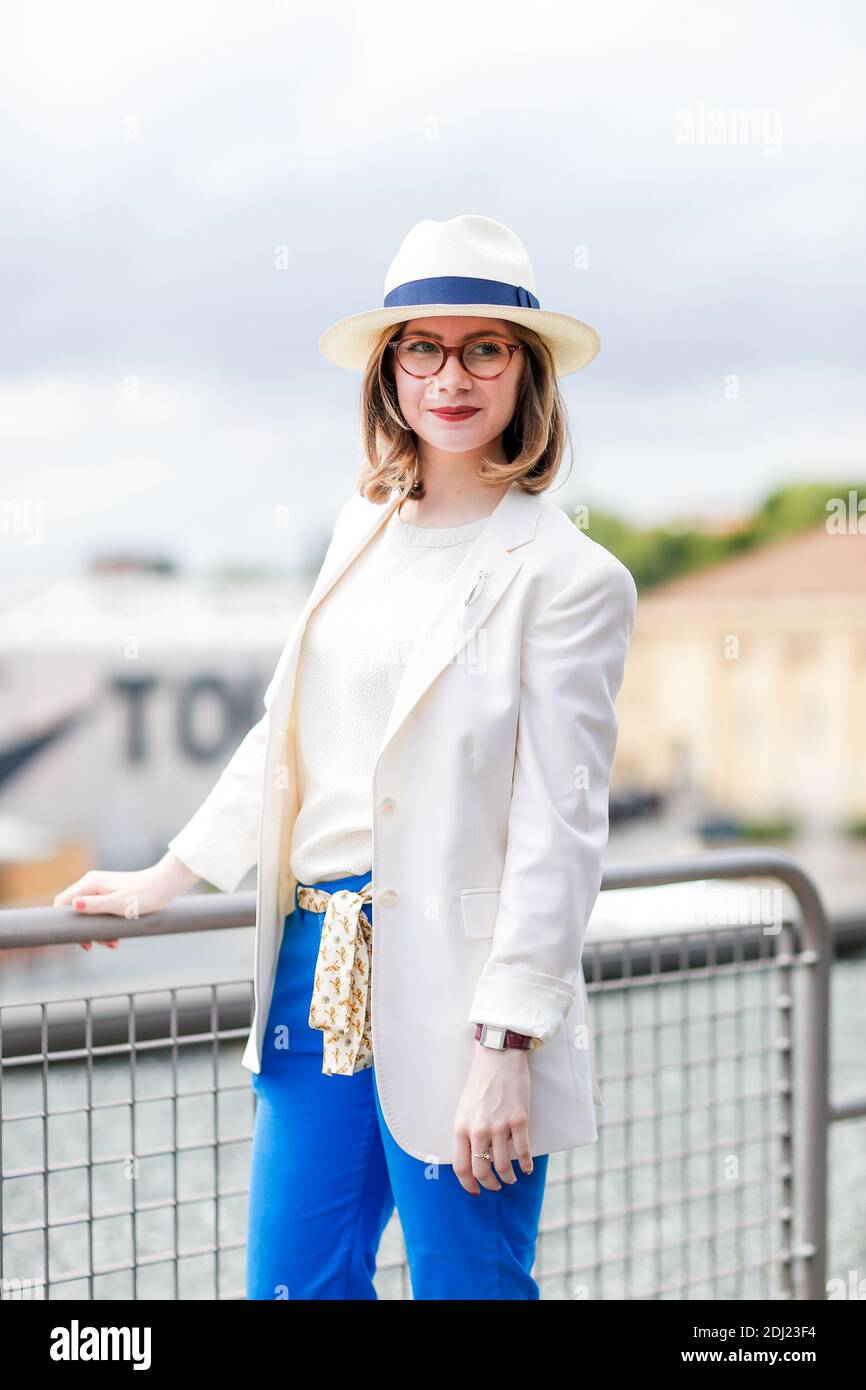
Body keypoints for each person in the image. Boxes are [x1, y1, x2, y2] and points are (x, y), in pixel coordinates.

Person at [54, 214, 638, 1300]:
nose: (449, 376)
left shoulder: (572, 579)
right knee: (293, 1285)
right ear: (389, 369)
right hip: (313, 970)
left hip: (465, 996)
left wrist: (506, 1040)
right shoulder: (358, 526)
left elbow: (561, 831)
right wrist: (164, 877)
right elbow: (286, 735)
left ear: (526, 374)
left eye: (484, 349)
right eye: (422, 346)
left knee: (468, 1285)